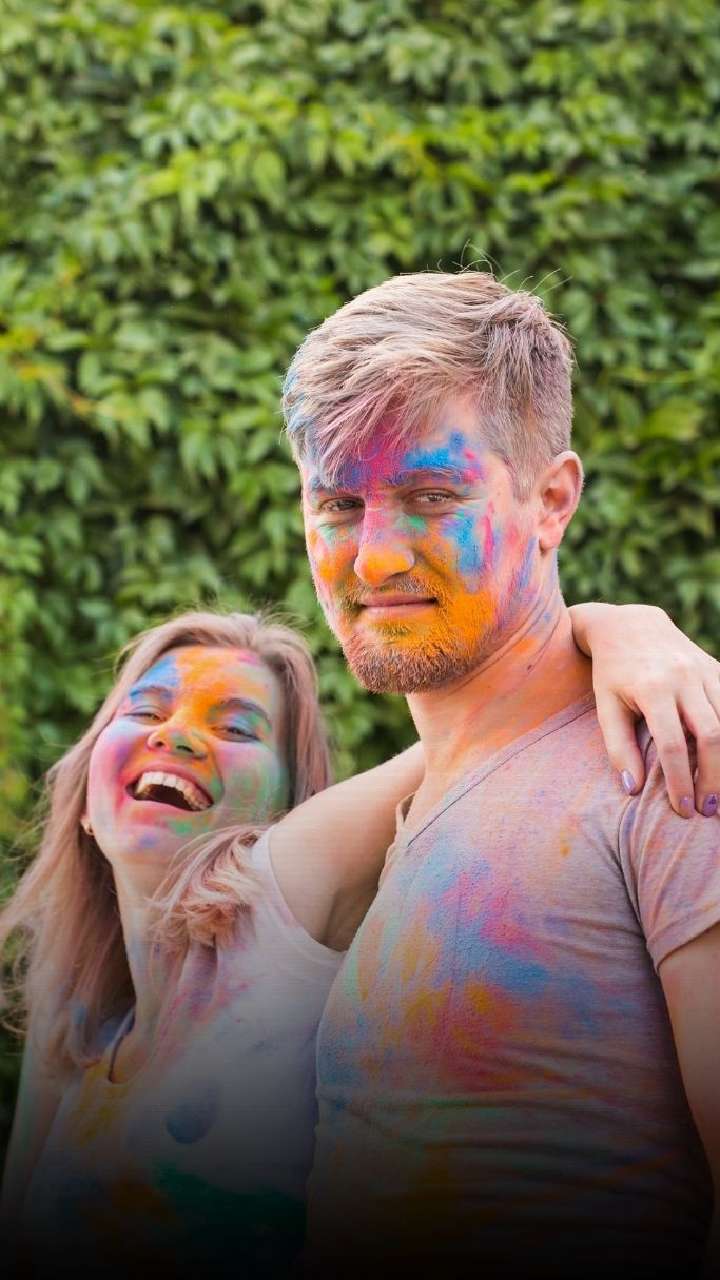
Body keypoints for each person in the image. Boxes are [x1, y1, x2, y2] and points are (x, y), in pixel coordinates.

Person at [1, 611, 716, 1280]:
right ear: (84, 801)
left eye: (237, 728)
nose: (177, 736)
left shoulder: (281, 904)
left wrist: (615, 625)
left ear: (292, 806)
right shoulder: (76, 1030)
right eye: (145, 713)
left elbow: (492, 721)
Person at [282, 271, 720, 1279]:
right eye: (339, 503)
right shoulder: (401, 812)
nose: (373, 558)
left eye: (432, 497)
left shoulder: (671, 758)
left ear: (552, 499)